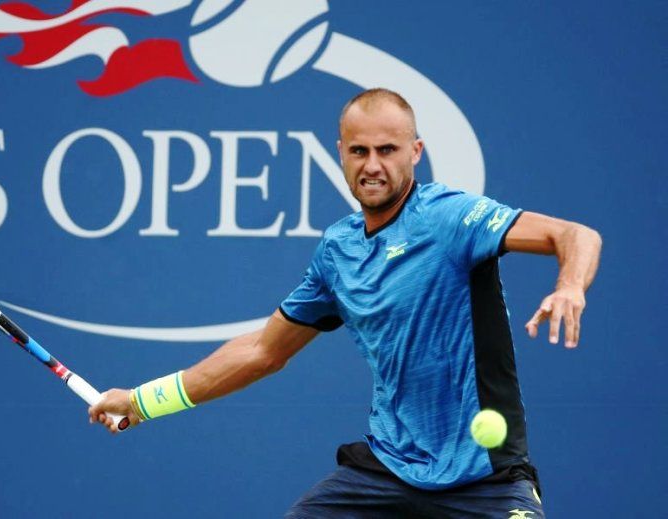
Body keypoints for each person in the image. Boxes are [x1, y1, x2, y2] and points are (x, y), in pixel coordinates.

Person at [88, 88, 601, 518]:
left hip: (486, 480)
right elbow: (262, 352)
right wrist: (142, 401)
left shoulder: (449, 218)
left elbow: (574, 235)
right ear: (340, 153)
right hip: (386, 473)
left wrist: (570, 286)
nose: (372, 165)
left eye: (387, 150)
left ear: (415, 152)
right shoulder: (338, 251)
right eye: (359, 151)